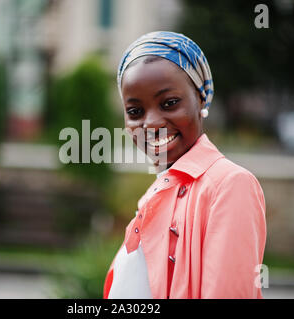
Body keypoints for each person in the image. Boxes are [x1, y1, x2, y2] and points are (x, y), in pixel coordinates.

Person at [103, 31, 267, 299]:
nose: (151, 123)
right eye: (135, 111)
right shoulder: (159, 191)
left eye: (169, 103)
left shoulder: (230, 185)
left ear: (201, 99)